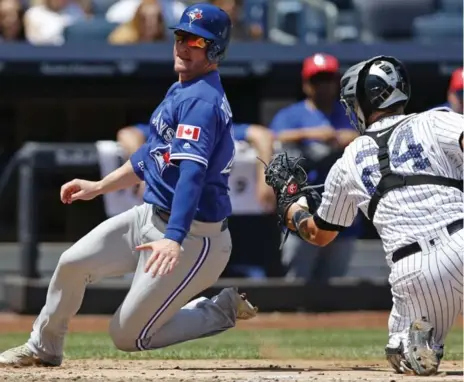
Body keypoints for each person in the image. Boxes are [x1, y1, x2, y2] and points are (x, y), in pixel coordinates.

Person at [0, 3, 257, 367]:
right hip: (151, 216)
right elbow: (150, 155)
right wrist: (100, 186)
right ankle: (44, 346)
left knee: (127, 335)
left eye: (196, 42)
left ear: (214, 50)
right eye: (181, 36)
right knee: (72, 263)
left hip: (195, 237)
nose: (183, 46)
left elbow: (192, 176)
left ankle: (219, 311)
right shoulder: (182, 89)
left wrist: (174, 237)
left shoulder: (202, 100)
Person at [266, 55, 463, 376]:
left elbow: (319, 234)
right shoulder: (435, 120)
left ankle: (416, 344)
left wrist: (292, 206)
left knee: (401, 351)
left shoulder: (350, 158)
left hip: (413, 272)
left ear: (364, 101)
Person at [269, 53, 360, 282]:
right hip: (304, 207)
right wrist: (312, 135)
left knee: (337, 285)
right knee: (297, 282)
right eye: (317, 80)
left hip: (342, 209)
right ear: (306, 84)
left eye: (328, 79)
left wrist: (348, 137)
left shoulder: (348, 114)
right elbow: (273, 138)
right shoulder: (292, 115)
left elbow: (370, 136)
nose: (323, 86)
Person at [117, 122, 275, 212]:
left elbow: (262, 134)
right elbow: (128, 134)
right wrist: (144, 174)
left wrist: (265, 178)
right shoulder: (168, 131)